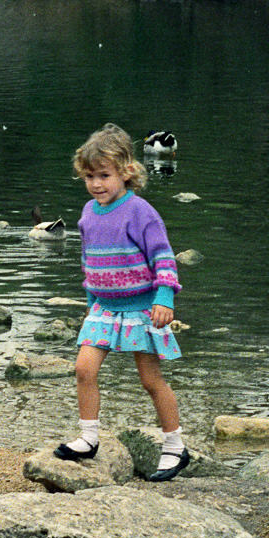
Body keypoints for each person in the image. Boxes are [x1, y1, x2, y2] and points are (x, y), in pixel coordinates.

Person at [54, 123, 189, 482]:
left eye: (104, 175)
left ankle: (175, 445)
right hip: (103, 307)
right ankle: (88, 437)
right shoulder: (86, 213)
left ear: (126, 171)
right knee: (84, 368)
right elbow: (90, 262)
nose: (97, 184)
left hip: (142, 305)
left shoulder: (140, 212)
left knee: (150, 379)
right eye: (89, 176)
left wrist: (164, 298)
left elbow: (164, 258)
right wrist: (90, 300)